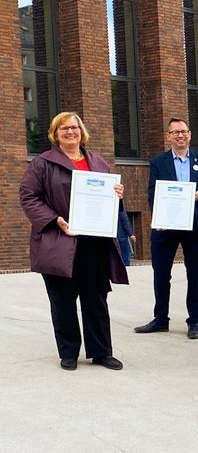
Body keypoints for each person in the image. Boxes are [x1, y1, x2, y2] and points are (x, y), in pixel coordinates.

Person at [19, 112, 129, 371]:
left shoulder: (99, 163)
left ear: (82, 131)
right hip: (59, 241)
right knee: (63, 300)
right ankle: (68, 353)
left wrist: (118, 196)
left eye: (75, 127)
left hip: (94, 242)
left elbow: (111, 203)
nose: (71, 132)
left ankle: (102, 352)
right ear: (55, 134)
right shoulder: (43, 164)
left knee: (96, 298)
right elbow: (28, 197)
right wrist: (56, 219)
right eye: (64, 128)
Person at [134, 118, 198, 340]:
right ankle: (161, 319)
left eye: (183, 132)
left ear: (190, 134)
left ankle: (194, 322)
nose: (180, 136)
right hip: (167, 225)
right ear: (168, 136)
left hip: (195, 226)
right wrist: (161, 213)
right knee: (161, 274)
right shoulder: (158, 162)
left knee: (195, 276)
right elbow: (152, 193)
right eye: (175, 132)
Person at [116, 200, 135, 266]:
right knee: (125, 257)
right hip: (122, 236)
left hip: (114, 237)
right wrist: (131, 234)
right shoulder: (120, 207)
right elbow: (125, 220)